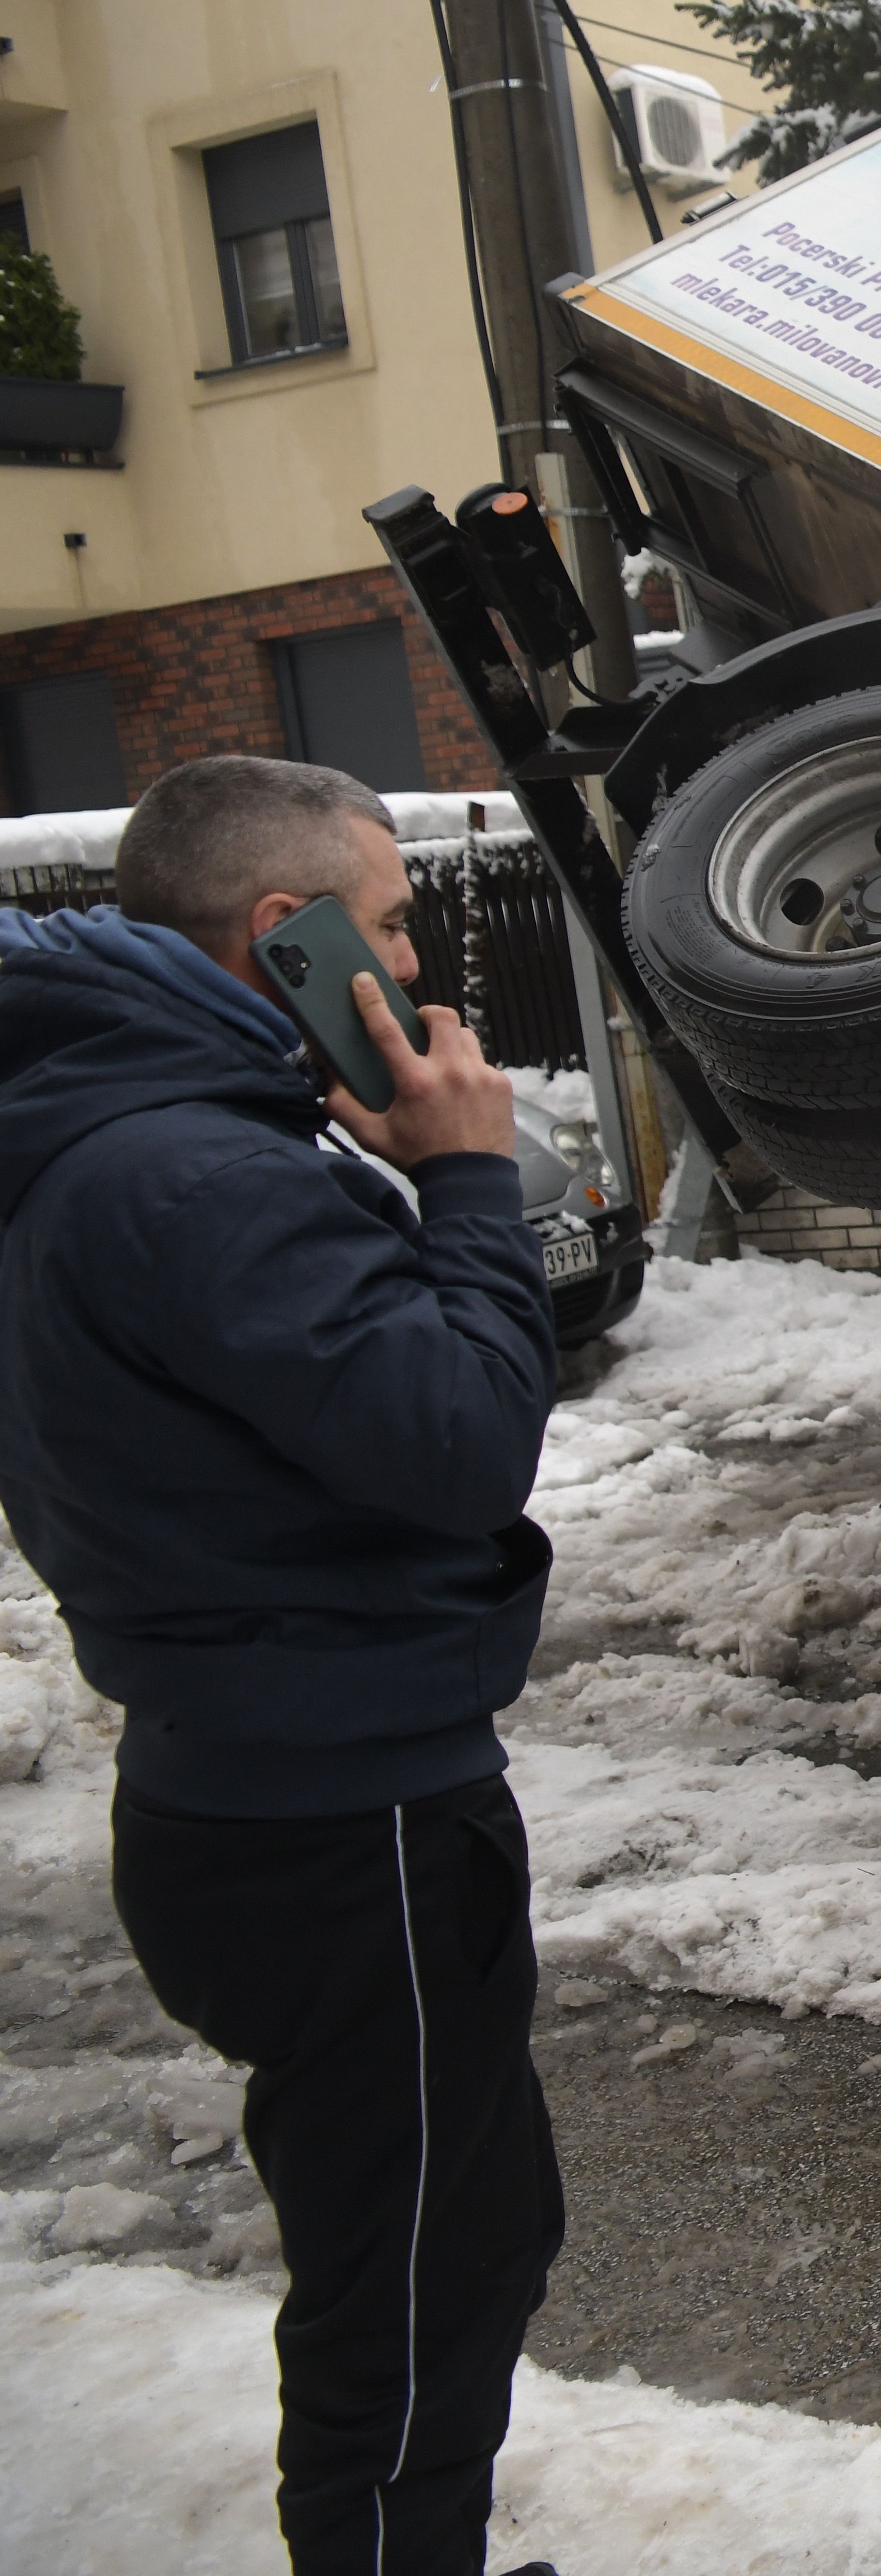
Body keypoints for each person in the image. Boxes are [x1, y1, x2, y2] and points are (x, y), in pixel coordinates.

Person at [0, 756, 564, 2576]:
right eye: (391, 922)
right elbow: (461, 1441)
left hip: (253, 1785)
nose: (412, 959)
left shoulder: (114, 1131)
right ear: (286, 934)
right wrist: (468, 1182)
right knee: (410, 2285)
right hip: (348, 1824)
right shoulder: (191, 1174)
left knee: (456, 2235)